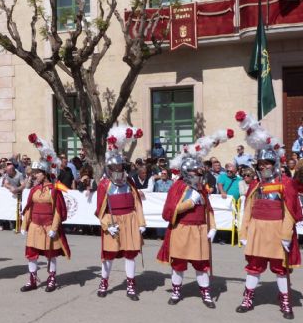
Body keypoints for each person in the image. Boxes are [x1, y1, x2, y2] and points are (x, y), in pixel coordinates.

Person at [234, 111, 303, 320]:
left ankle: (285, 301)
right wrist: (244, 231)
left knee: (280, 269)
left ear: (275, 165)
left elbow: (290, 212)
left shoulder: (285, 183)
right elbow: (248, 209)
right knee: (254, 267)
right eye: (260, 165)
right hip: (257, 229)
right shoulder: (255, 184)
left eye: (267, 164)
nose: (263, 168)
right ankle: (248, 298)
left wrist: (285, 235)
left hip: (276, 231)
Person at [158, 130, 231, 308]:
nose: (199, 175)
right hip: (182, 229)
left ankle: (206, 294)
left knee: (201, 264)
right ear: (187, 172)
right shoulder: (177, 186)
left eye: (199, 172)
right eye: (195, 172)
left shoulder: (201, 187)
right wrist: (189, 203)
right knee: (179, 264)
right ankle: (176, 292)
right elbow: (168, 212)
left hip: (199, 230)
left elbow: (209, 210)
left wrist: (213, 227)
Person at [95, 125, 146, 300]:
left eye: (120, 167)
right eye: (115, 167)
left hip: (130, 219)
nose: (118, 170)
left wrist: (141, 223)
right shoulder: (104, 185)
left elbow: (137, 204)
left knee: (130, 254)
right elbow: (100, 210)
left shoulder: (129, 182)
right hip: (113, 222)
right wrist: (107, 225)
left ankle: (131, 285)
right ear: (109, 169)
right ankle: (104, 282)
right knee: (108, 255)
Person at [19, 134, 70, 292]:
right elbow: (29, 208)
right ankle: (32, 279)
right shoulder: (34, 189)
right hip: (35, 226)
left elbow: (58, 211)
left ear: (46, 173)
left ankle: (52, 279)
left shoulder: (54, 190)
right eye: (35, 172)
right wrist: (24, 225)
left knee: (51, 254)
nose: (35, 175)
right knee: (31, 253)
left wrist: (54, 228)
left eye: (38, 172)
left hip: (48, 226)